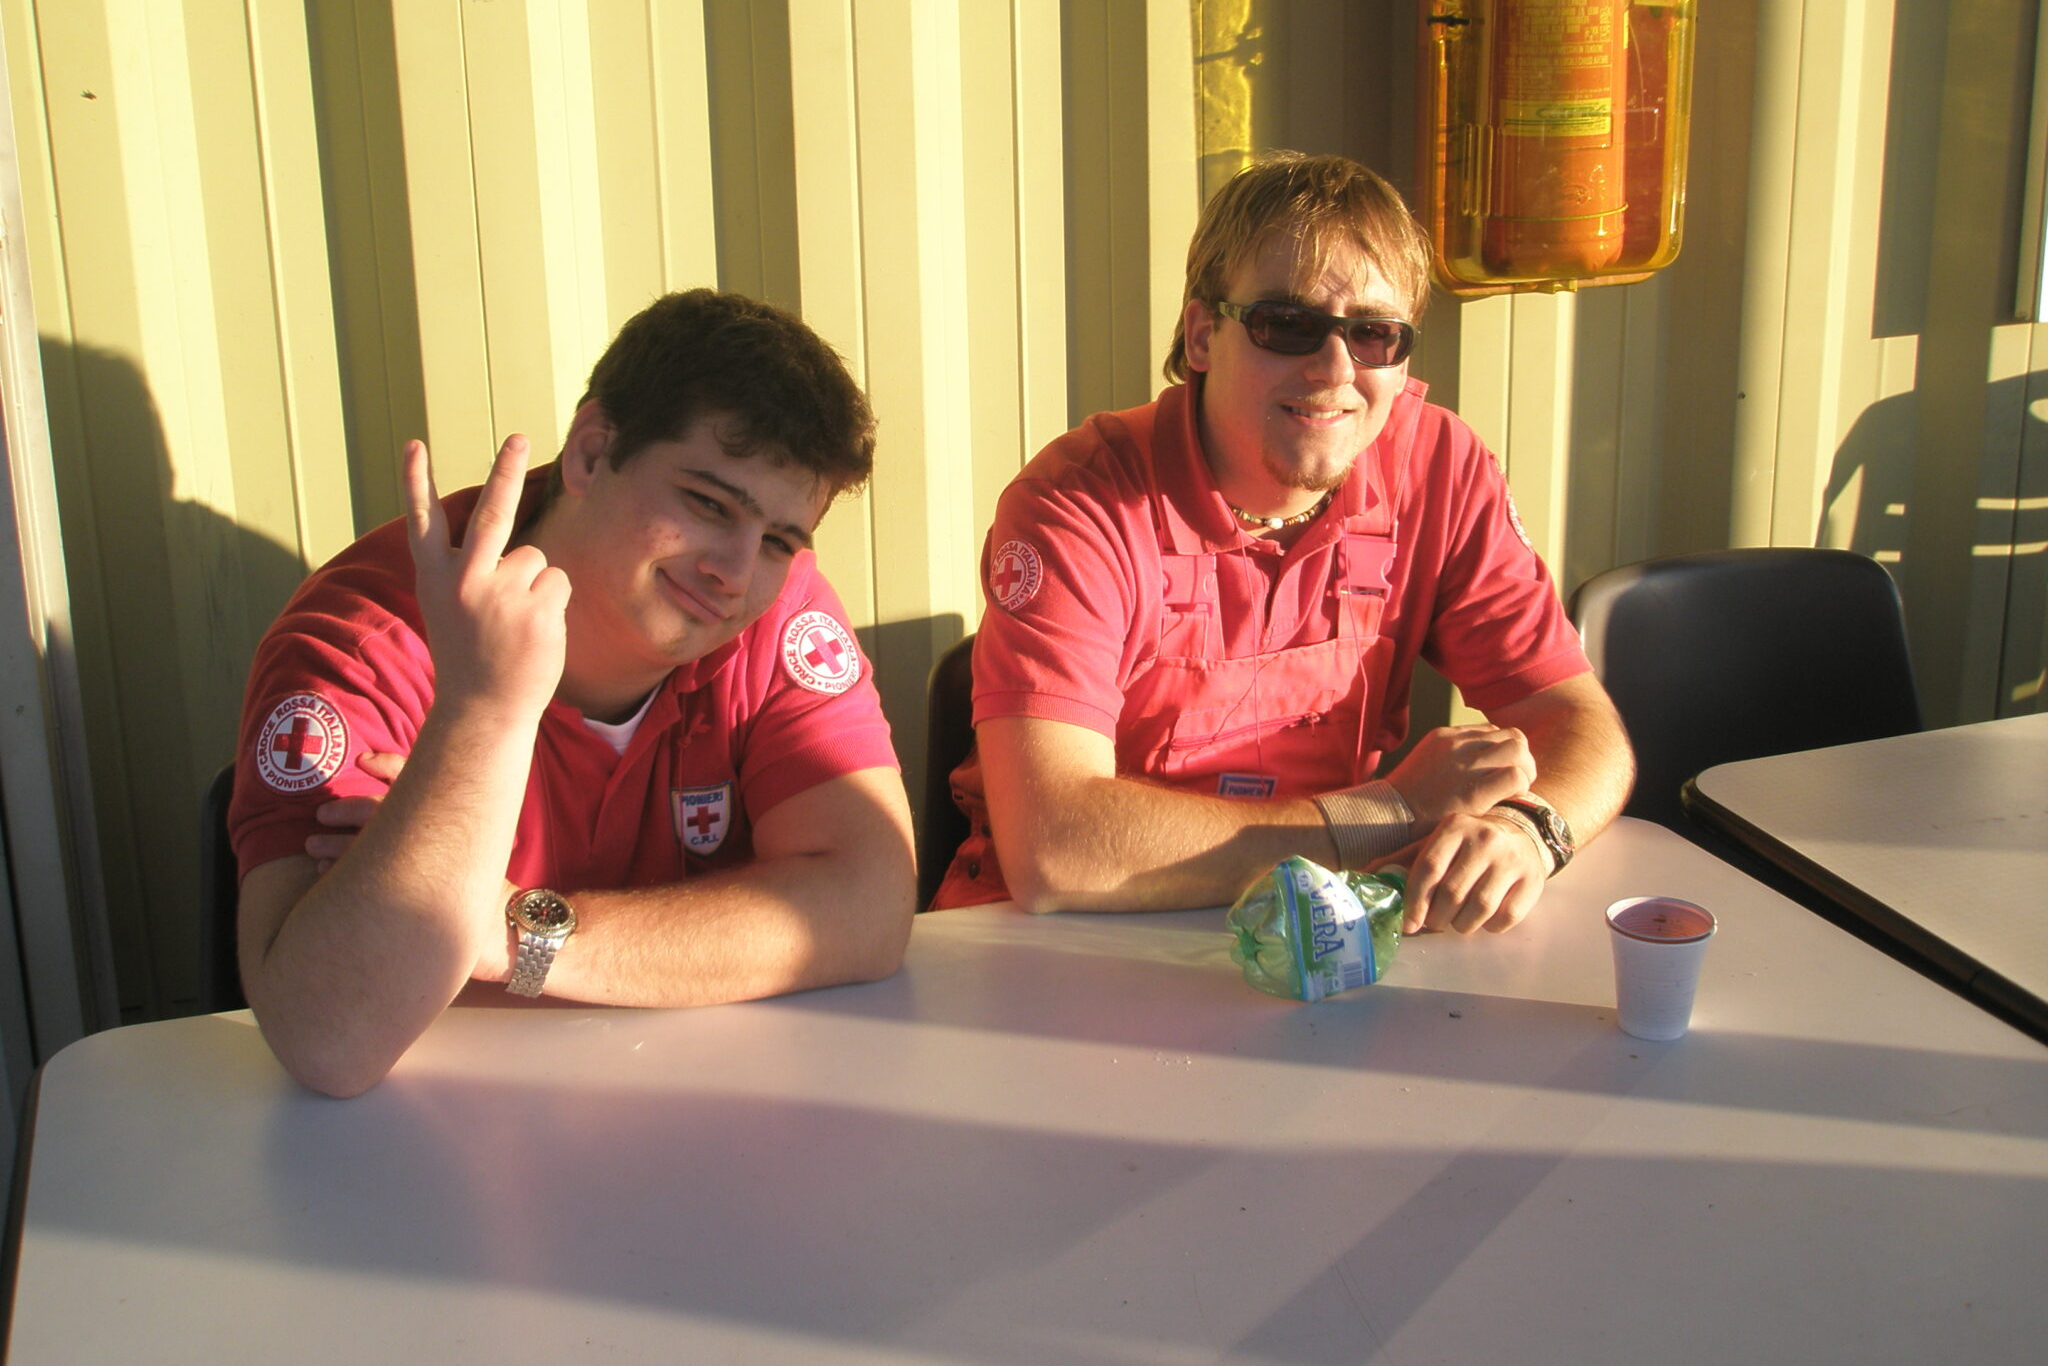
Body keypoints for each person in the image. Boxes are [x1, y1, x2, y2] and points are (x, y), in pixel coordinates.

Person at [232, 289, 915, 1096]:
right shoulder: (370, 641)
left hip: (703, 1106)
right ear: (591, 453)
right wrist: (483, 709)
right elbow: (330, 1039)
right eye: (708, 503)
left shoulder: (780, 608)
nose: (733, 572)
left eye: (777, 539)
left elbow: (870, 908)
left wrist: (517, 934)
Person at [932, 152, 1632, 930]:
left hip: (1317, 930)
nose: (1334, 369)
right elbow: (1056, 850)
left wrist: (1530, 831)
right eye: (1288, 325)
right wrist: (1390, 812)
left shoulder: (1442, 467)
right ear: (1203, 334)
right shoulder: (1079, 501)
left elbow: (1581, 726)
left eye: (1374, 333)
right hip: (1058, 944)